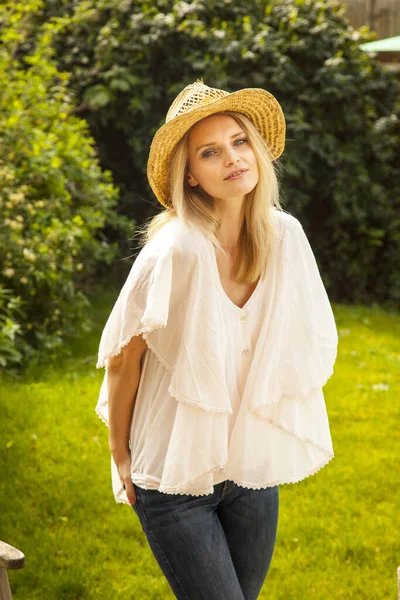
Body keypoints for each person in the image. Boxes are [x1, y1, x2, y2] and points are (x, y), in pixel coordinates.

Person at [95, 79, 338, 600]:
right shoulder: (176, 249)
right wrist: (120, 455)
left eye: (239, 141)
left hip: (250, 469)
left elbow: (302, 339)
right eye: (210, 152)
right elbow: (122, 358)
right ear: (191, 174)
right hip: (175, 475)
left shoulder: (285, 236)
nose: (232, 158)